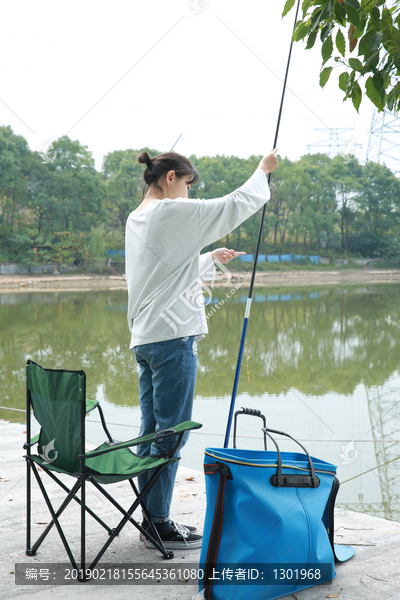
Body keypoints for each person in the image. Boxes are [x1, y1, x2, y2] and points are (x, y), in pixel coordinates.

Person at [125, 148, 278, 550]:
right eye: (188, 187)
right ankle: (158, 523)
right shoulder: (169, 212)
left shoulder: (136, 218)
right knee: (171, 435)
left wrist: (209, 258)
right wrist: (262, 171)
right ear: (172, 178)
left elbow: (163, 272)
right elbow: (233, 206)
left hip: (146, 338)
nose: (189, 197)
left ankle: (150, 519)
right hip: (173, 342)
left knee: (150, 431)